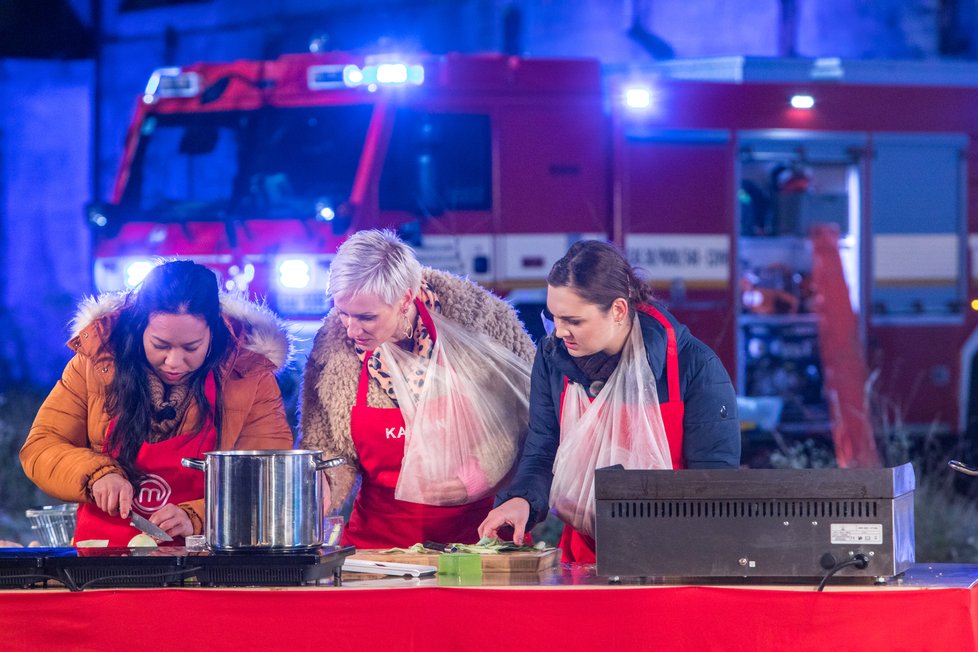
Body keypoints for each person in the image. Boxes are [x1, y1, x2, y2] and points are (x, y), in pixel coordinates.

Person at [479, 240, 740, 562]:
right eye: (555, 317)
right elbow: (543, 451)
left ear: (617, 310)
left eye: (574, 321)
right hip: (583, 559)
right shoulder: (553, 361)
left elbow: (713, 483)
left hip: (672, 560)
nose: (559, 332)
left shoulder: (693, 366)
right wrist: (521, 500)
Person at [20, 261, 294, 546]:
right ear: (140, 328)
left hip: (206, 557)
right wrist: (97, 475)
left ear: (214, 332)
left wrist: (198, 515)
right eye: (161, 345)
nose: (174, 362)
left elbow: (267, 476)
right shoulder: (95, 364)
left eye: (192, 347)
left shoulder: (249, 376)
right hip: (103, 558)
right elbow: (41, 447)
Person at [300, 229, 535, 549]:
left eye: (367, 317)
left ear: (405, 300)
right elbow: (326, 441)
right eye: (343, 313)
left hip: (479, 540)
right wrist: (325, 484)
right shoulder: (332, 346)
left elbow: (527, 414)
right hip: (379, 546)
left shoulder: (480, 319)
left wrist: (482, 475)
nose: (351, 329)